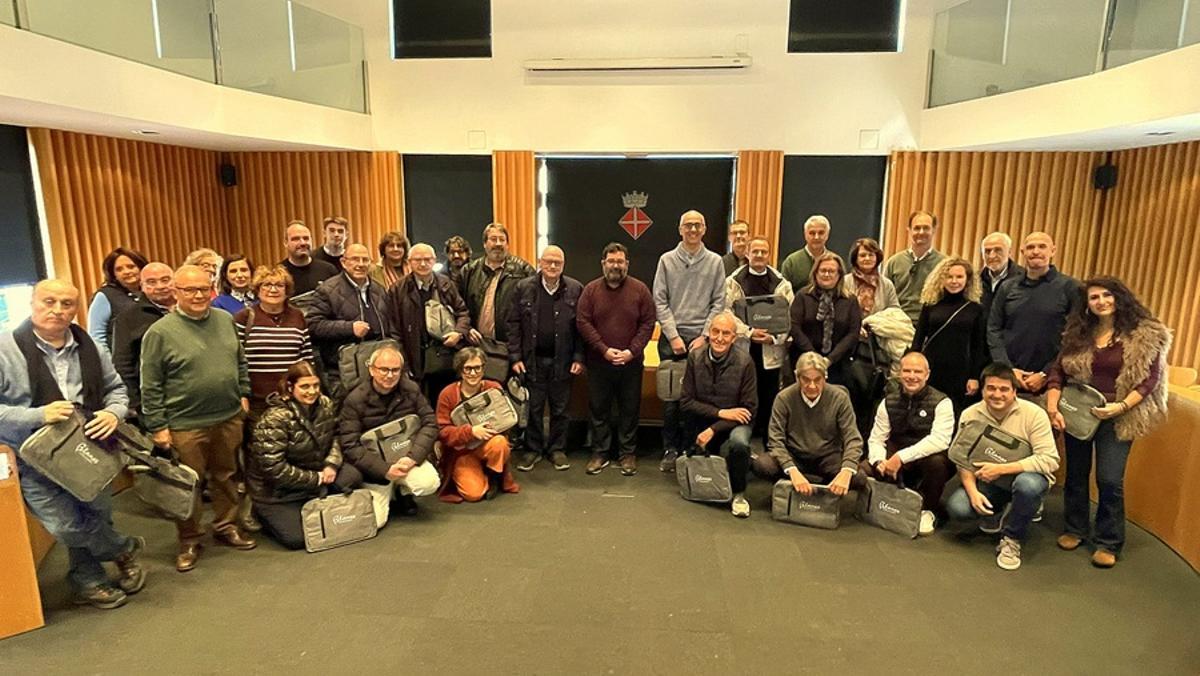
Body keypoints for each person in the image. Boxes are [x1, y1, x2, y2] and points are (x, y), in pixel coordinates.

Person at [0, 280, 145, 609]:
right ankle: (123, 549)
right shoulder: (3, 348)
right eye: (49, 301)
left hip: (89, 450)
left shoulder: (91, 346)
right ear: (32, 303)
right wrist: (37, 415)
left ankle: (88, 580)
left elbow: (116, 391)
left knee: (95, 514)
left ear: (76, 309)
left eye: (67, 304)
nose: (58, 310)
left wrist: (113, 413)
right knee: (65, 525)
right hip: (32, 456)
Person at [1045, 277, 1170, 568]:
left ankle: (1108, 541)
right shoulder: (1079, 333)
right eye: (1094, 297)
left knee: (1109, 479)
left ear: (1119, 297)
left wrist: (1120, 406)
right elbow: (1057, 372)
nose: (1101, 301)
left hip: (1120, 415)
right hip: (1079, 411)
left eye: (1106, 295)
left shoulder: (1145, 334)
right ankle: (1075, 528)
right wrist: (1053, 407)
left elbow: (1149, 380)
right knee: (1075, 474)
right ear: (1087, 304)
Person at [138, 265, 255, 572]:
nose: (199, 295)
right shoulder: (160, 333)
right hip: (184, 424)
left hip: (228, 416)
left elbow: (239, 360)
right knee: (187, 485)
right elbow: (150, 384)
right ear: (175, 293)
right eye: (190, 290)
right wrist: (158, 427)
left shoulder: (224, 320)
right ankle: (189, 538)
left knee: (227, 475)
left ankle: (227, 525)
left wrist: (243, 392)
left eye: (204, 288)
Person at [944, 363, 1059, 571]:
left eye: (1004, 389)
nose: (997, 394)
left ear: (1015, 391)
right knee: (959, 507)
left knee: (1028, 486)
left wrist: (1002, 469)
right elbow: (963, 459)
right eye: (991, 388)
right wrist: (972, 493)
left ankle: (1012, 538)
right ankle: (997, 511)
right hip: (988, 482)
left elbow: (1050, 460)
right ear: (982, 390)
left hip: (1024, 478)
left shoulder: (1034, 414)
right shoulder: (970, 415)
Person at [247, 362, 363, 550]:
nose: (312, 391)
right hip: (276, 492)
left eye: (315, 385)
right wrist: (316, 479)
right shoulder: (274, 419)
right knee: (298, 539)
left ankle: (314, 500)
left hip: (315, 471)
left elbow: (335, 435)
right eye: (305, 386)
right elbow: (274, 469)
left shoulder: (325, 404)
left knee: (354, 476)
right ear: (290, 387)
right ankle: (260, 512)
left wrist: (331, 464)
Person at [653, 209, 726, 472]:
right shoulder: (667, 260)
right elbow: (659, 300)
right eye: (688, 226)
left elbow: (719, 301)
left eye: (698, 225)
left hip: (704, 340)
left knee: (698, 399)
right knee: (671, 400)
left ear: (705, 229)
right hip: (671, 340)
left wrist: (705, 335)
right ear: (680, 229)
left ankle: (691, 448)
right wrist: (673, 336)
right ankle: (670, 450)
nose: (693, 230)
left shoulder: (716, 261)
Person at [576, 242, 656, 476]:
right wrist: (603, 349)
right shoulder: (590, 290)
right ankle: (600, 453)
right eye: (611, 261)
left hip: (631, 363)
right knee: (598, 409)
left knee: (629, 409)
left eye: (620, 261)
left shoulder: (640, 290)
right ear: (603, 264)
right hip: (599, 362)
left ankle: (627, 454)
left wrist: (632, 351)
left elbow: (648, 323)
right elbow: (583, 322)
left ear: (627, 264)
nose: (615, 266)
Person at [507, 245, 584, 472]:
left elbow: (582, 327)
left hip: (564, 360)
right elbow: (513, 324)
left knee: (561, 409)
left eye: (557, 263)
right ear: (539, 262)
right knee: (534, 408)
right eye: (548, 261)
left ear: (563, 265)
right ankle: (533, 449)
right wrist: (515, 357)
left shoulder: (575, 289)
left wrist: (579, 357)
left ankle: (557, 449)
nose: (552, 266)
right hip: (532, 361)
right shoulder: (523, 288)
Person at [338, 345, 439, 515]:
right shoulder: (354, 400)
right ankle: (390, 490)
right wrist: (383, 470)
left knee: (429, 483)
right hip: (376, 470)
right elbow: (349, 445)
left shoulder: (411, 389)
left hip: (405, 458)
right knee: (376, 519)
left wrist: (413, 458)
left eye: (395, 370)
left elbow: (430, 423)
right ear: (371, 369)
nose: (390, 375)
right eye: (384, 369)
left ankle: (402, 491)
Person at [862, 352, 954, 535]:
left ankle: (928, 510)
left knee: (937, 463)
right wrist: (879, 461)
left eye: (918, 372)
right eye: (907, 371)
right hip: (898, 457)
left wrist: (900, 458)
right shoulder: (887, 402)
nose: (912, 376)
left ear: (927, 375)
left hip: (926, 458)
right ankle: (880, 502)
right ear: (899, 372)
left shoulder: (942, 402)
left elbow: (940, 440)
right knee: (862, 469)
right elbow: (876, 438)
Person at [680, 312, 757, 517]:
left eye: (726, 333)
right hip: (706, 418)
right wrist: (721, 412)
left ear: (734, 338)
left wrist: (714, 428)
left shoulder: (745, 362)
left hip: (736, 423)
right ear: (709, 333)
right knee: (694, 454)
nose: (720, 338)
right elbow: (686, 402)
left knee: (739, 443)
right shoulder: (695, 357)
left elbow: (749, 409)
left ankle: (739, 495)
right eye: (715, 332)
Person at [987, 231, 1081, 397]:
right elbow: (993, 329)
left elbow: (1076, 336)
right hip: (1008, 378)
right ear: (1023, 252)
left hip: (1050, 381)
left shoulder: (1070, 287)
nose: (1036, 251)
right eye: (1030, 247)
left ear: (1053, 251)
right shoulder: (1007, 287)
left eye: (1042, 247)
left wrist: (1046, 373)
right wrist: (1008, 369)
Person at [759, 351, 865, 497]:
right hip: (795, 455)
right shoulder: (784, 398)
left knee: (858, 477)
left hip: (828, 457)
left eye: (818, 380)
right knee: (763, 464)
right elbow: (775, 440)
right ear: (797, 377)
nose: (812, 385)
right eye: (806, 380)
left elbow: (853, 438)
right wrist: (792, 470)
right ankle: (804, 484)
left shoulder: (839, 398)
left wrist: (846, 471)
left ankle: (813, 485)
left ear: (825, 377)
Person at [723, 236, 793, 437]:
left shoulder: (782, 284)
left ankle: (766, 439)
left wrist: (774, 338)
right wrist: (749, 332)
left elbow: (790, 317)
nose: (759, 255)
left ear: (769, 255)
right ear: (748, 253)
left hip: (771, 353)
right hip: (742, 348)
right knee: (741, 393)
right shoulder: (733, 282)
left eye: (764, 252)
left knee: (768, 395)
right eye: (755, 251)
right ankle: (740, 437)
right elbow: (726, 312)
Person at [384, 242, 469, 403]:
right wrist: (402, 361)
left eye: (427, 259)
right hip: (413, 356)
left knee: (446, 401)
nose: (423, 264)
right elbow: (393, 330)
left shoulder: (445, 284)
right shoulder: (397, 289)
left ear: (434, 260)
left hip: (444, 357)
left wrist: (458, 332)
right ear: (409, 262)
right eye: (417, 260)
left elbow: (463, 312)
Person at [435, 347, 521, 502]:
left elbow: (507, 418)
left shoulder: (493, 388)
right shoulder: (447, 394)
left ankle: (494, 475)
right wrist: (471, 432)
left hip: (488, 444)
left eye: (477, 368)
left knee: (500, 443)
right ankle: (477, 473)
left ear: (483, 368)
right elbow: (442, 432)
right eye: (468, 368)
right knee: (474, 494)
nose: (473, 373)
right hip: (462, 451)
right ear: (460, 370)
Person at [306, 242, 391, 393]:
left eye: (365, 260)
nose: (360, 264)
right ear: (343, 262)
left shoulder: (380, 290)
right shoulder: (327, 290)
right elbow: (313, 325)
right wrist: (349, 328)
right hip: (343, 373)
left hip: (378, 371)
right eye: (355, 259)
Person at [233, 265, 314, 415]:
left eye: (279, 285)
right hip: (256, 402)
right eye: (267, 285)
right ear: (257, 289)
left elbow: (306, 358)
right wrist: (242, 394)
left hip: (291, 399)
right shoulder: (244, 317)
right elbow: (234, 359)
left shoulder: (298, 316)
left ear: (287, 290)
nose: (273, 290)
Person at [912, 257, 988, 416]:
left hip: (960, 372)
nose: (954, 281)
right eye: (949, 276)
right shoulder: (930, 305)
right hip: (932, 368)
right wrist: (914, 368)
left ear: (967, 280)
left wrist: (974, 377)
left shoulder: (975, 309)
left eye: (959, 277)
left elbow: (978, 346)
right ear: (942, 278)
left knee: (955, 414)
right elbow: (918, 340)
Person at [111, 262, 175, 419]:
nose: (160, 286)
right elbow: (122, 364)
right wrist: (136, 405)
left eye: (165, 280)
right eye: (151, 282)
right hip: (156, 402)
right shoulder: (128, 318)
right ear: (142, 285)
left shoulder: (188, 310)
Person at [458, 223, 535, 349]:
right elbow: (458, 308)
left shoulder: (524, 271)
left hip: (509, 347)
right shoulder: (469, 271)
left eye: (502, 240)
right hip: (475, 345)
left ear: (507, 244)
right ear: (484, 243)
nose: (498, 244)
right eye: (493, 239)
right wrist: (467, 329)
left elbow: (532, 313)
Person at [788, 252, 861, 384]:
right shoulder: (802, 296)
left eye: (831, 271)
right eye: (823, 270)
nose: (827, 274)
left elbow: (853, 333)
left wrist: (829, 360)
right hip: (804, 359)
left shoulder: (850, 300)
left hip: (838, 363)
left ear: (839, 275)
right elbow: (794, 327)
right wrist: (813, 357)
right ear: (815, 273)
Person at [884, 210, 946, 323]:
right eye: (917, 228)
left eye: (926, 228)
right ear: (909, 230)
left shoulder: (944, 264)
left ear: (934, 230)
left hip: (931, 324)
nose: (921, 232)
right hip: (897, 324)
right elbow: (884, 297)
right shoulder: (894, 262)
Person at [87, 246, 147, 350]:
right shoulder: (105, 296)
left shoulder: (151, 292)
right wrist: (108, 364)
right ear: (114, 275)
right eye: (119, 269)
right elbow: (97, 337)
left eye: (131, 266)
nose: (126, 272)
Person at [843, 237, 900, 319]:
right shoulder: (845, 282)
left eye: (871, 255)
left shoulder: (887, 284)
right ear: (855, 259)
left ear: (877, 258)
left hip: (879, 329)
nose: (867, 258)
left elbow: (895, 311)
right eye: (862, 255)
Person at [281, 221, 339, 296]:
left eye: (306, 238)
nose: (302, 243)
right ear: (286, 243)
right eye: (296, 239)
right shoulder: (279, 273)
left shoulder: (328, 270)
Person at [779, 215, 831, 292]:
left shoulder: (835, 261)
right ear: (805, 235)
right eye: (812, 233)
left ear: (827, 235)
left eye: (821, 233)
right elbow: (784, 294)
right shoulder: (791, 262)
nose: (816, 237)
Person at [979, 232, 1022, 317]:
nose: (992, 255)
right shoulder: (975, 280)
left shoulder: (1024, 279)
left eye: (998, 250)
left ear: (1009, 252)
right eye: (987, 251)